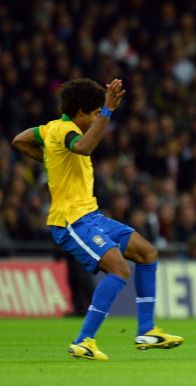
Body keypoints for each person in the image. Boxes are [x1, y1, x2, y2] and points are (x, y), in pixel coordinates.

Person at [11, 78, 183, 361]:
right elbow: (83, 148)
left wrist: (50, 162)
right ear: (80, 113)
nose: (95, 120)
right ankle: (84, 341)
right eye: (92, 115)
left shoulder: (49, 130)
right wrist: (108, 111)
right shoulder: (66, 129)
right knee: (119, 270)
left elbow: (20, 140)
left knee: (147, 252)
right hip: (72, 220)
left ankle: (147, 330)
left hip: (91, 215)